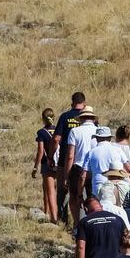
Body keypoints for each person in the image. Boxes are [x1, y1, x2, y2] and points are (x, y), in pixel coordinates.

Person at [52, 93, 90, 223]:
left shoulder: (65, 116)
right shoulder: (90, 120)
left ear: (72, 102)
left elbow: (57, 138)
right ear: (84, 103)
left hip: (65, 159)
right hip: (86, 163)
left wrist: (52, 155)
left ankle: (63, 220)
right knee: (85, 192)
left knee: (63, 191)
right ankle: (85, 221)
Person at [65, 111, 100, 225]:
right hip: (93, 169)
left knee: (75, 197)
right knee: (93, 198)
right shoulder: (98, 131)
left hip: (78, 167)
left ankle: (77, 224)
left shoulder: (75, 131)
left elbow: (70, 155)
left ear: (81, 119)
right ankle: (93, 222)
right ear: (93, 118)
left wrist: (67, 175)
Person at [81, 125, 130, 198]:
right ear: (110, 138)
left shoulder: (91, 153)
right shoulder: (118, 150)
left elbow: (83, 176)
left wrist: (79, 194)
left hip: (97, 188)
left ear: (97, 138)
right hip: (116, 187)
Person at [34, 108, 59, 221]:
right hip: (60, 162)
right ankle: (59, 213)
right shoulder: (59, 130)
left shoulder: (42, 132)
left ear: (43, 119)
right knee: (59, 190)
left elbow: (40, 151)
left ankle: (48, 212)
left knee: (48, 190)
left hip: (47, 163)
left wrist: (35, 166)